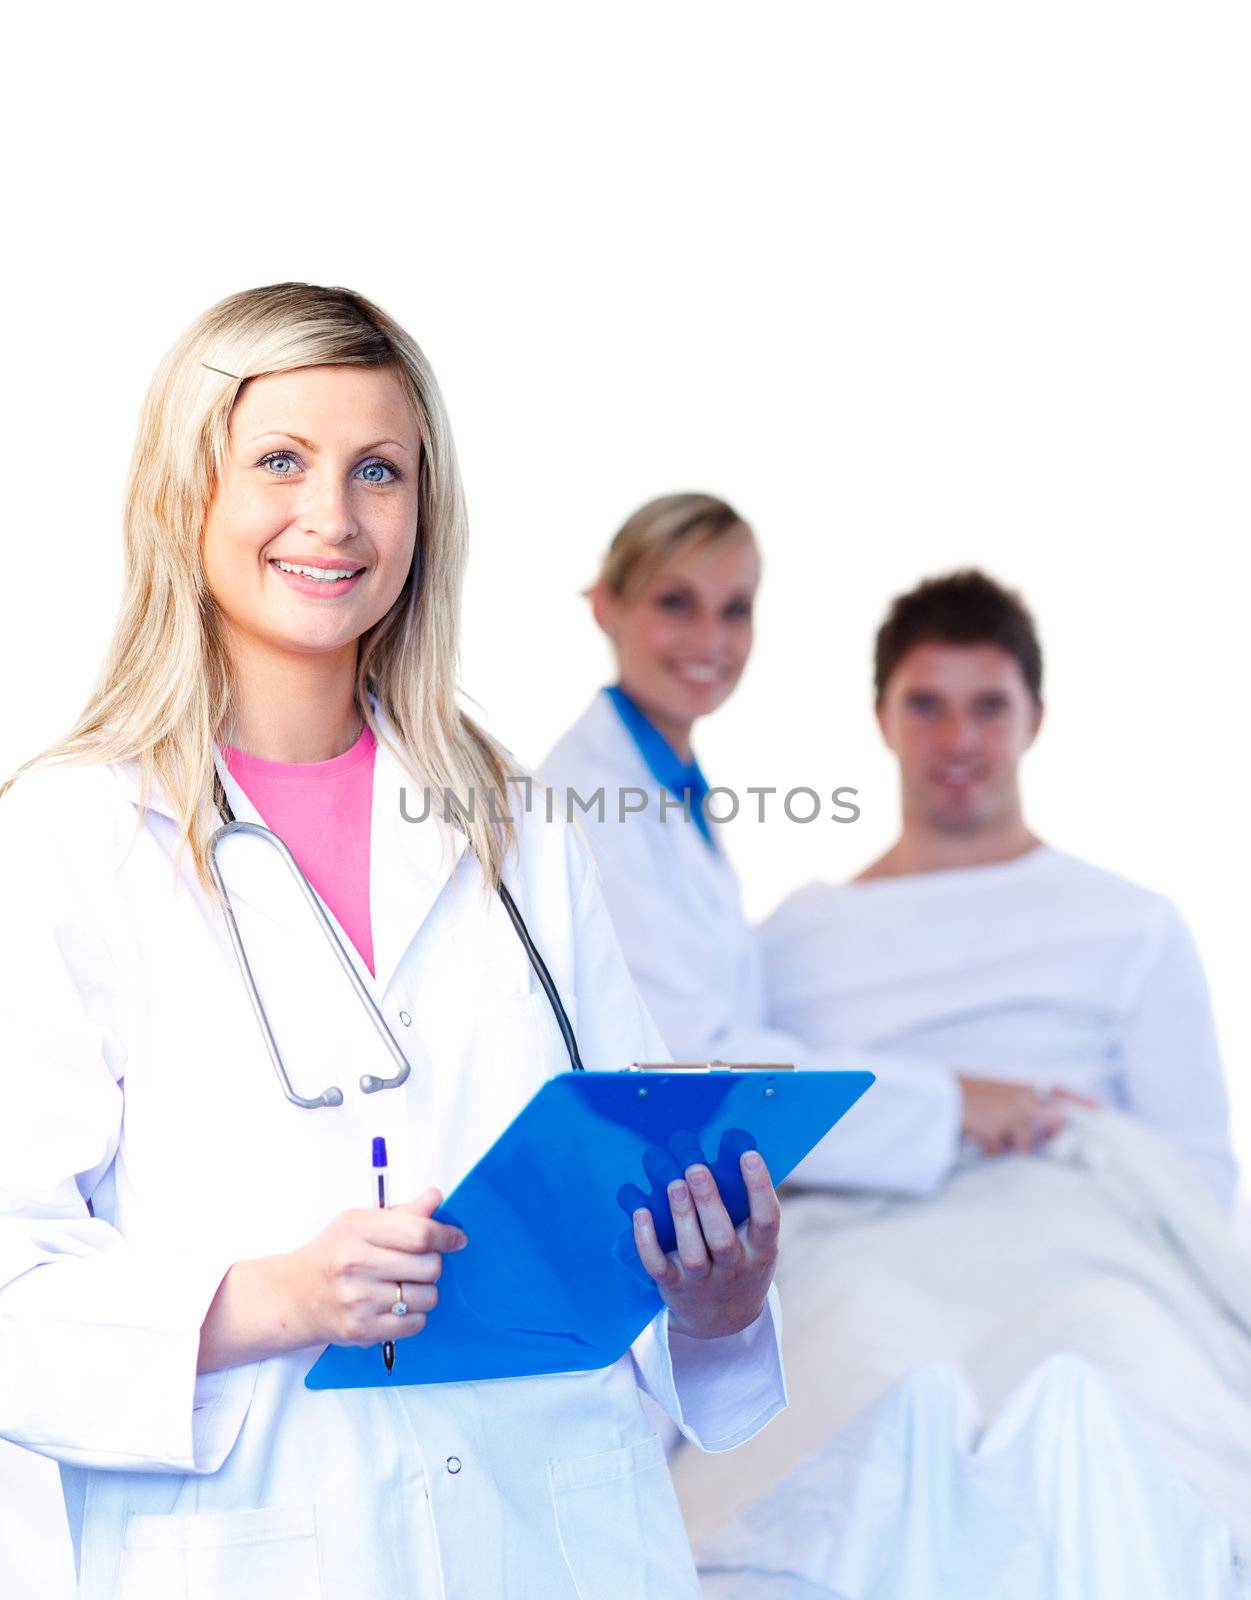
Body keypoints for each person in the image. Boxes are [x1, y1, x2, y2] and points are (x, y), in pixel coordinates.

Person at [0, 285, 787, 1600]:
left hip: (563, 1537)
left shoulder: (520, 822)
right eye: (280, 462)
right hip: (264, 1549)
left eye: (380, 470)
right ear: (185, 490)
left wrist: (714, 1301)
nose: (334, 517)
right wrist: (277, 1299)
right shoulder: (68, 837)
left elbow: (620, 1180)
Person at [763, 568, 1238, 1209]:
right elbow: (755, 1139)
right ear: (882, 719)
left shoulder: (1134, 927)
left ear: (1034, 720)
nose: (958, 739)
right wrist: (947, 1108)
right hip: (860, 1257)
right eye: (926, 705)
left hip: (1091, 1245)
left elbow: (1200, 1180)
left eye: (989, 707)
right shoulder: (797, 937)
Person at [541, 494, 971, 1196]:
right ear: (604, 607)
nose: (709, 638)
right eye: (675, 602)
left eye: (734, 609)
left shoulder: (664, 784)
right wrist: (949, 1106)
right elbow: (691, 1062)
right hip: (636, 1191)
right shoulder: (593, 804)